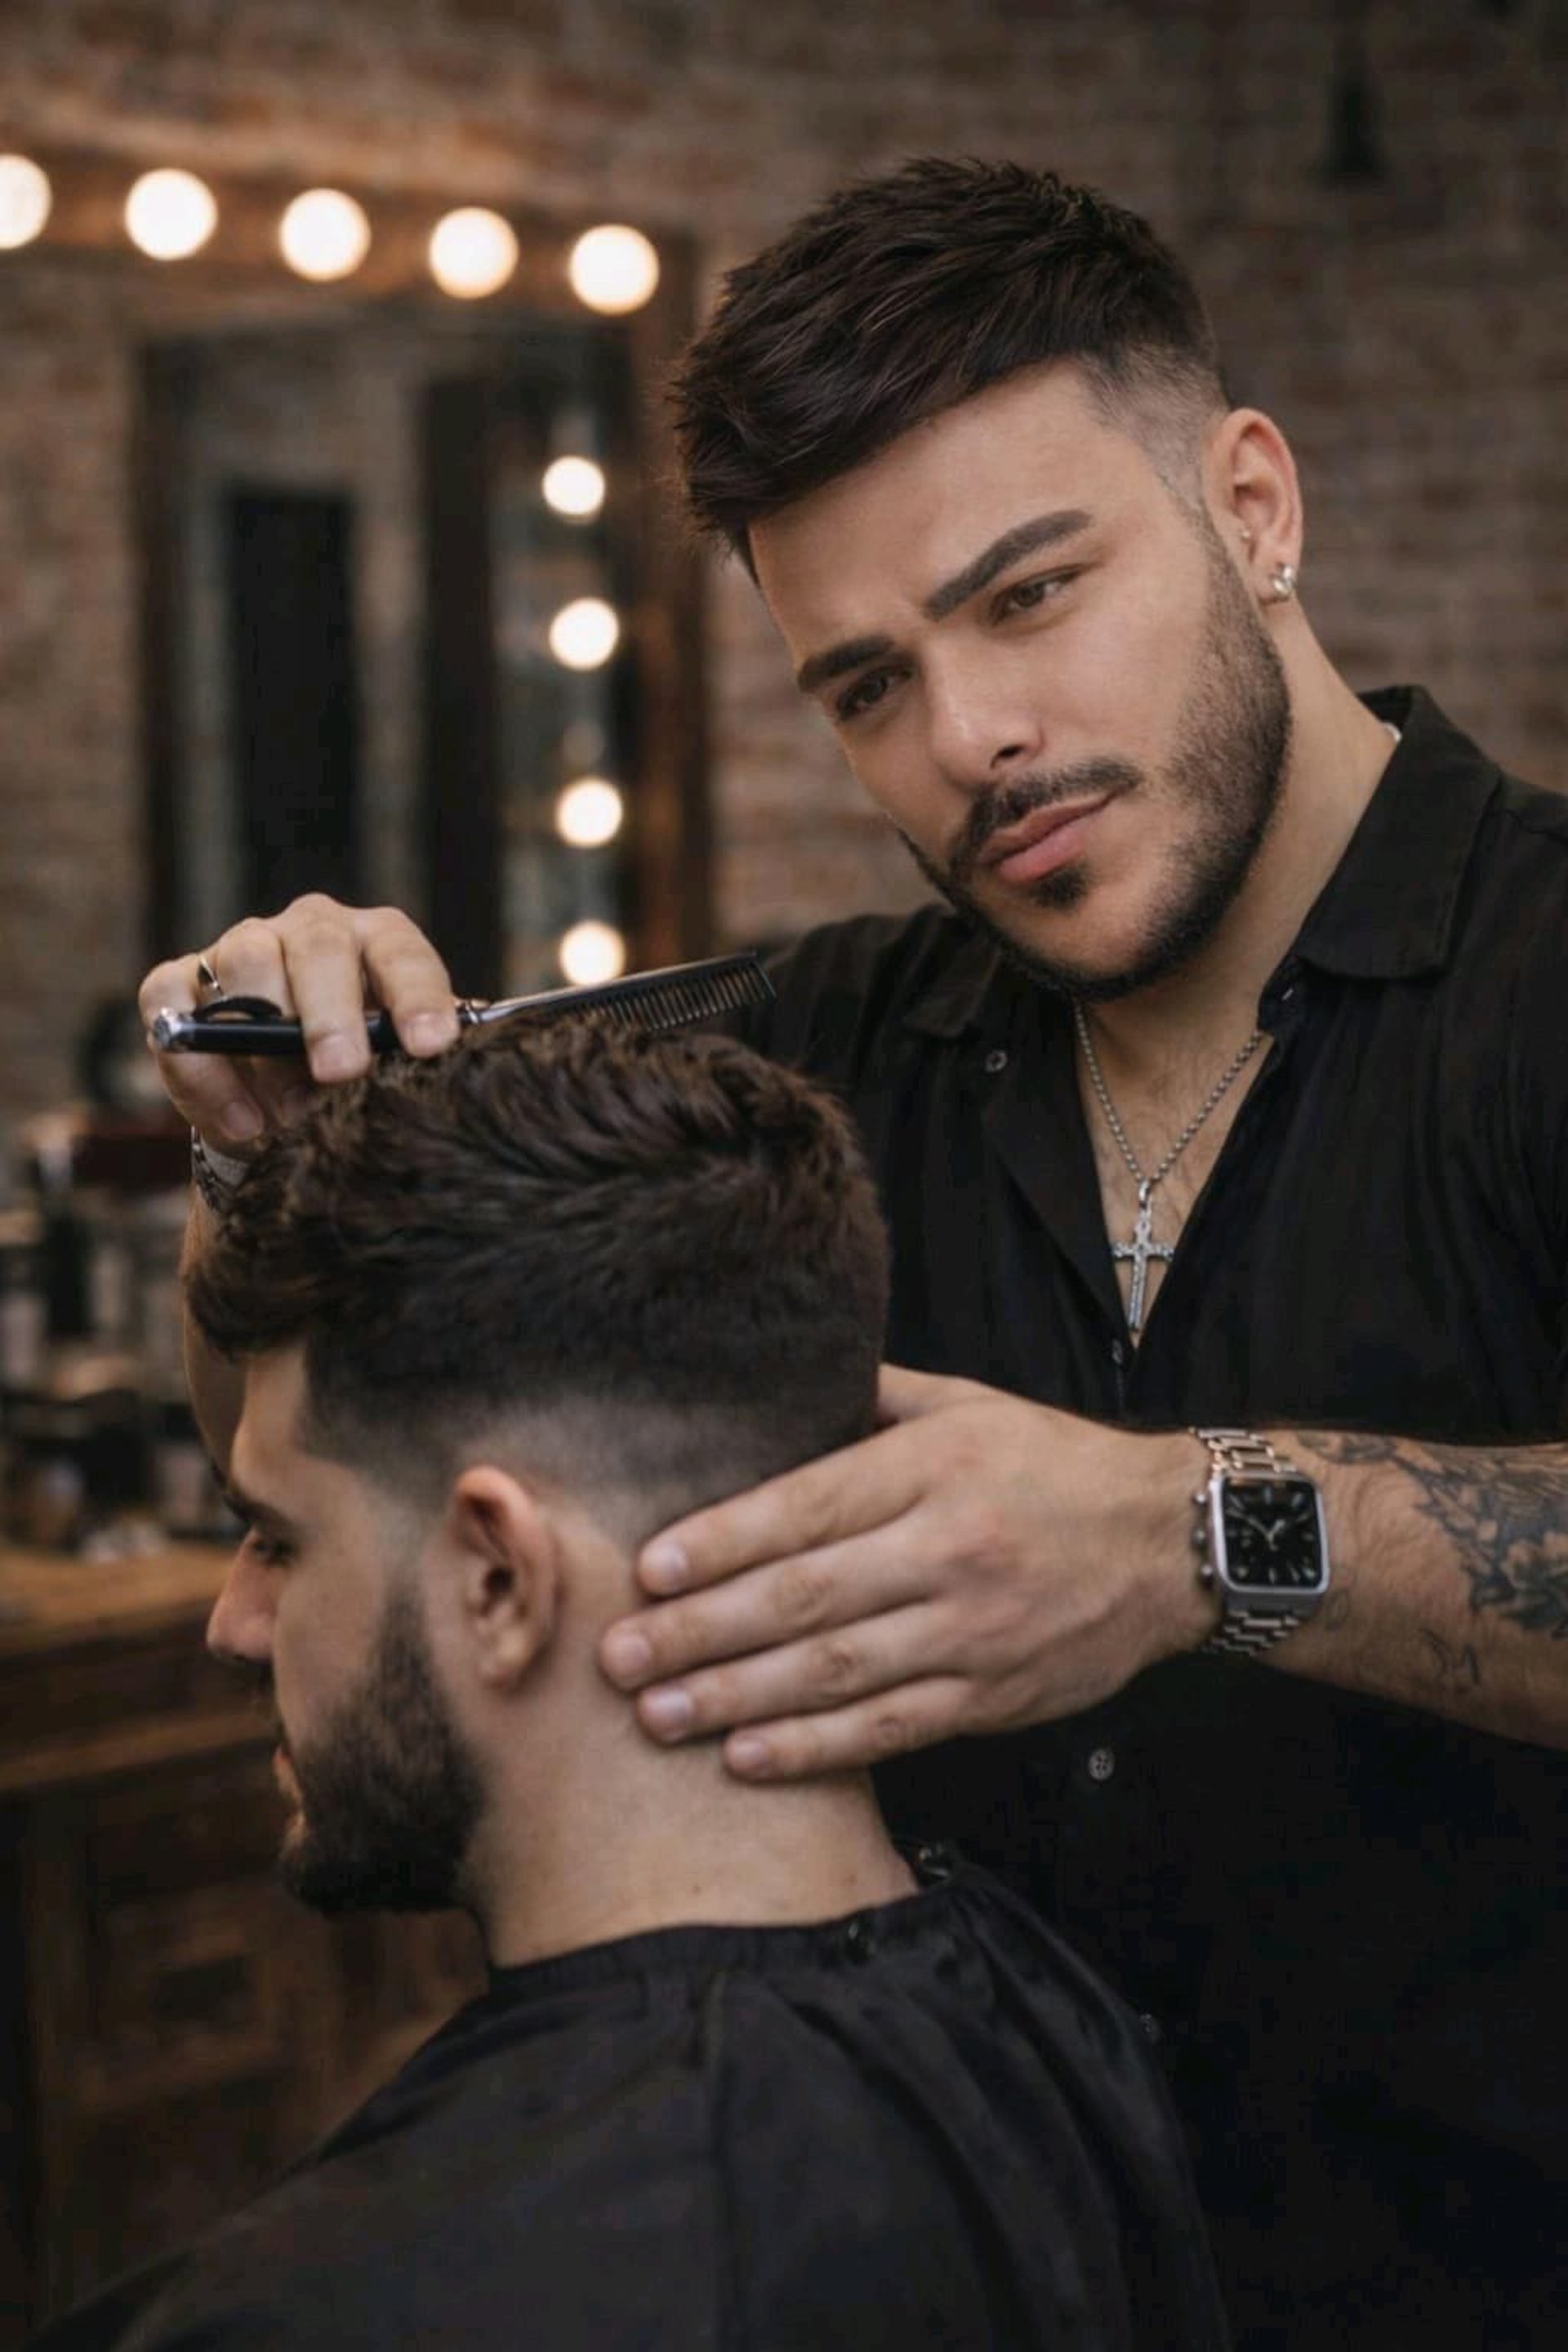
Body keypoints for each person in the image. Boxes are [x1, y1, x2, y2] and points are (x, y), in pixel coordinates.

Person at [136, 159, 1568, 2345]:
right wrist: (264, 1159)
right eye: (865, 684)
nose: (968, 742)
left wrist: (1196, 1537)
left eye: (1030, 597)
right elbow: (303, 1439)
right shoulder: (822, 1051)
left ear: (1255, 505)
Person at [34, 1021, 1227, 2351]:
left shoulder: (356, 2306)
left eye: (278, 1538)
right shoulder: (1057, 2030)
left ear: (501, 1580)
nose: (232, 1623)